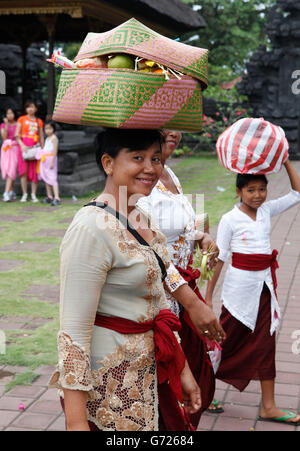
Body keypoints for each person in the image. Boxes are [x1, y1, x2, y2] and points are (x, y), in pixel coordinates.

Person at [49, 129, 202, 431]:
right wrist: (76, 423)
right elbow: (73, 337)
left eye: (156, 158)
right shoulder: (91, 228)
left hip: (146, 376)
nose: (150, 168)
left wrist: (181, 367)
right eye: (137, 158)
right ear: (108, 162)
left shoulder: (142, 218)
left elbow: (158, 301)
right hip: (108, 390)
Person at [137, 130, 226, 429]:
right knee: (166, 390)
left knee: (194, 377)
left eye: (176, 126)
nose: (173, 132)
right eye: (165, 127)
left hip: (184, 290)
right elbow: (151, 251)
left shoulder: (169, 172)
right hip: (162, 297)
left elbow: (177, 229)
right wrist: (191, 302)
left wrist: (202, 236)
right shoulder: (139, 183)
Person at [205, 160, 300, 426]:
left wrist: (285, 163)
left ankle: (269, 406)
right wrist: (208, 297)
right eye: (250, 190)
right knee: (221, 342)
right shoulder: (229, 219)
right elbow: (220, 258)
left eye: (262, 189)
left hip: (265, 290)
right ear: (239, 192)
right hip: (237, 295)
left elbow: (297, 194)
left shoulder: (267, 211)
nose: (257, 195)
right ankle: (204, 390)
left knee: (267, 344)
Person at [15, 100, 44, 203]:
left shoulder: (39, 121)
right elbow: (17, 135)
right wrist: (22, 145)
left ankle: (33, 194)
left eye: (32, 107)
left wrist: (43, 149)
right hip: (23, 147)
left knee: (34, 172)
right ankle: (24, 194)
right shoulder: (21, 119)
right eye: (28, 107)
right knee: (23, 172)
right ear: (26, 109)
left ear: (36, 109)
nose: (30, 109)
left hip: (35, 147)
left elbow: (41, 136)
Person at [37, 121, 61, 206]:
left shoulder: (54, 138)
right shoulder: (47, 138)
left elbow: (55, 151)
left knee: (53, 178)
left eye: (49, 128)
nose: (47, 130)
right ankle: (49, 196)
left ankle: (57, 197)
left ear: (53, 129)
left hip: (51, 159)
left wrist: (53, 162)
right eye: (46, 128)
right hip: (45, 160)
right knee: (46, 178)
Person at [0, 108, 19, 202]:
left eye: (11, 113)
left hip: (15, 148)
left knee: (12, 170)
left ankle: (6, 193)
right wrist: (7, 125)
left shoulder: (18, 124)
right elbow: (4, 137)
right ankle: (11, 192)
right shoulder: (3, 125)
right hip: (6, 149)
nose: (9, 115)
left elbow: (17, 136)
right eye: (7, 113)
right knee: (7, 170)